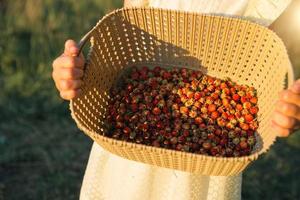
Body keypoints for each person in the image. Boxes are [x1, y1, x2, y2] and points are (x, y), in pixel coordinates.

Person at [52, 0, 299, 199]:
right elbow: (128, 34)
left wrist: (288, 108)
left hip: (208, 167)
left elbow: (270, 68)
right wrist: (77, 73)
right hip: (127, 150)